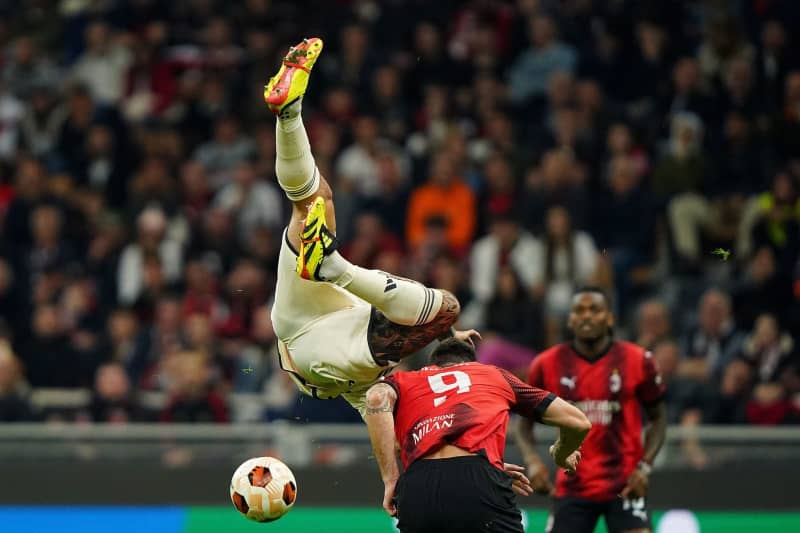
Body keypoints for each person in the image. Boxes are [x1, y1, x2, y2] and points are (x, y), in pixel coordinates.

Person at [263, 38, 475, 416]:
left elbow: (378, 410)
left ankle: (289, 117)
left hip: (306, 332)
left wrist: (443, 330)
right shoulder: (383, 384)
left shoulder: (379, 382)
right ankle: (288, 112)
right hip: (313, 327)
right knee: (316, 201)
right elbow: (381, 418)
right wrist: (393, 477)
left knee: (446, 307)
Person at [364, 338, 591, 533]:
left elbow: (375, 399)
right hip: (479, 482)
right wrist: (561, 453)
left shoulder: (405, 380)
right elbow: (577, 421)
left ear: (432, 365)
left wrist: (390, 478)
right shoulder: (492, 374)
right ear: (472, 363)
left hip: (416, 489)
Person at [515, 287, 667, 533]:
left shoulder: (639, 360)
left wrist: (644, 467)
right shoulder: (546, 364)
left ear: (609, 318)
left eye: (594, 309)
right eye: (579, 310)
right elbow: (523, 425)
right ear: (570, 319)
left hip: (625, 484)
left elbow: (658, 418)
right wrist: (533, 462)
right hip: (573, 486)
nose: (586, 316)